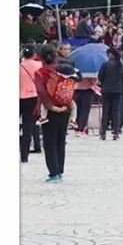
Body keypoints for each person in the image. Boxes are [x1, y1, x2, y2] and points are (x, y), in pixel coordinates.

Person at [34, 47, 78, 182]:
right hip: (66, 107)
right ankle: (60, 170)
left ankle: (53, 172)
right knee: (60, 140)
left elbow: (41, 91)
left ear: (41, 58)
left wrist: (50, 106)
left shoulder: (41, 72)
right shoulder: (64, 69)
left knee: (49, 142)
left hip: (50, 111)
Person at [97, 47, 123, 141]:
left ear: (110, 54)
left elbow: (100, 77)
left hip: (106, 91)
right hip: (118, 91)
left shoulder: (105, 65)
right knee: (116, 112)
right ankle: (116, 132)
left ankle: (103, 133)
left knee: (105, 112)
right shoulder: (122, 65)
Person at [20, 45, 42, 162]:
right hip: (32, 97)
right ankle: (24, 155)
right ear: (34, 54)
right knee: (27, 126)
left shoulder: (19, 66)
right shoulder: (38, 66)